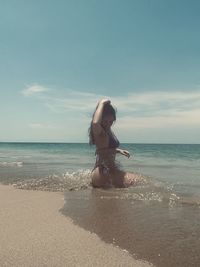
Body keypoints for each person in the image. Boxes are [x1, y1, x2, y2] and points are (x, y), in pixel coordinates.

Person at [89, 98, 139, 188]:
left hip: (106, 172)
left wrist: (119, 151)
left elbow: (105, 149)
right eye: (105, 121)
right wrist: (101, 103)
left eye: (111, 122)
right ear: (101, 119)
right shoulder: (100, 133)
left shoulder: (107, 130)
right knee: (140, 182)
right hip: (103, 172)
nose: (108, 124)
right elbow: (95, 123)